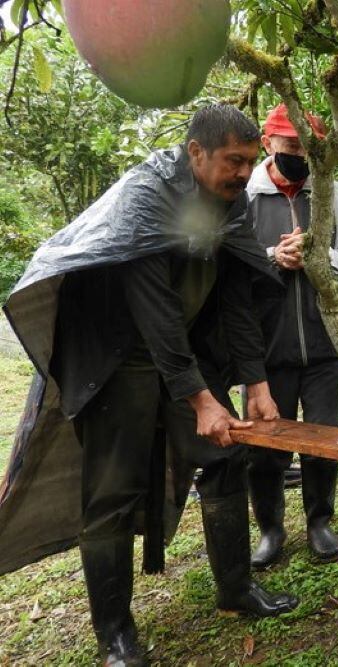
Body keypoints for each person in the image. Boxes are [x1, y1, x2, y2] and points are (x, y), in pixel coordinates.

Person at [0, 105, 299, 666]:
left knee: (224, 455)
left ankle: (236, 589)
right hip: (119, 358)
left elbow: (236, 297)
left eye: (249, 161)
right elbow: (156, 310)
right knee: (111, 493)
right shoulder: (145, 195)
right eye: (232, 161)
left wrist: (256, 385)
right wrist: (202, 399)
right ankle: (115, 637)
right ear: (195, 153)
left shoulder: (229, 205)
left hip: (185, 349)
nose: (242, 173)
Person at [245, 104, 338, 567]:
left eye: (306, 146)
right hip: (264, 347)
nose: (299, 153)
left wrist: (319, 256)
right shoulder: (248, 195)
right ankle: (270, 531)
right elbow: (227, 263)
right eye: (290, 145)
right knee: (264, 446)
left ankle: (320, 522)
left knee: (326, 435)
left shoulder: (331, 192)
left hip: (324, 344)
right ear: (269, 143)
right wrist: (270, 257)